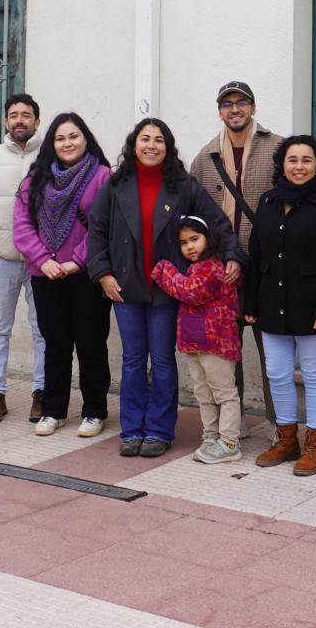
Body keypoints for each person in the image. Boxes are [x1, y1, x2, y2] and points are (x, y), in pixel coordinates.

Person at [88, 118, 240, 458]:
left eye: (159, 140)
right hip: (124, 288)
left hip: (167, 291)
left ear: (167, 147)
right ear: (134, 144)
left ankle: (158, 430)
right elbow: (96, 232)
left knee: (162, 360)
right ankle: (132, 430)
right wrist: (102, 274)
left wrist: (232, 255)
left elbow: (218, 223)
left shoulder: (184, 186)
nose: (151, 145)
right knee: (132, 360)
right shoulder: (115, 185)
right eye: (145, 139)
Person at [243, 135, 316, 476]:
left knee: (314, 373)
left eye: (307, 160)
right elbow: (257, 254)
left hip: (314, 307)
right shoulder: (268, 200)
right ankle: (286, 439)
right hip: (271, 303)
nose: (299, 166)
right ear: (282, 164)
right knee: (276, 372)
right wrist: (250, 302)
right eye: (293, 160)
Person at [13, 113, 113, 438]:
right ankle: (53, 410)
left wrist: (77, 261)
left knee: (90, 344)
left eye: (73, 136)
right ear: (52, 143)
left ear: (85, 139)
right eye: (60, 138)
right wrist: (43, 261)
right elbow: (22, 225)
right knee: (55, 344)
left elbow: (104, 226)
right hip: (46, 275)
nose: (67, 143)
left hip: (87, 276)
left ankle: (94, 410)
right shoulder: (35, 179)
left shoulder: (102, 177)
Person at [188, 80, 281, 406]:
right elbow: (193, 215)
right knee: (227, 349)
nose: (235, 109)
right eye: (228, 104)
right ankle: (234, 418)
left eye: (242, 102)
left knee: (272, 349)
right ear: (219, 112)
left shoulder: (278, 148)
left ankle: (278, 423)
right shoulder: (205, 156)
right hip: (222, 268)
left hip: (267, 265)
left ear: (253, 108)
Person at [0, 94, 46, 424]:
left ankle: (42, 393)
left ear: (37, 121)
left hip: (42, 262)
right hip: (1, 259)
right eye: (14, 115)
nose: (20, 120)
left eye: (26, 115)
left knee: (43, 330)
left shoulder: (50, 157)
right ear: (6, 121)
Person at [148, 216, 242, 464]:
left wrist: (163, 270)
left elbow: (192, 292)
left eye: (194, 239)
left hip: (216, 343)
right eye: (183, 242)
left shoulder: (212, 266)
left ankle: (230, 442)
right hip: (195, 343)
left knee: (224, 393)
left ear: (208, 238)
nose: (189, 247)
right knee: (203, 393)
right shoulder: (195, 267)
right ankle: (211, 435)